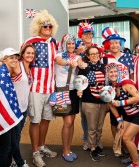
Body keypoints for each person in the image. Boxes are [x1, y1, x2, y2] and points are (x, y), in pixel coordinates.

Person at [22, 10, 58, 167]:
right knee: (35, 121)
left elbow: (56, 61)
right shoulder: (31, 41)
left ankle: (42, 146)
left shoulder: (53, 42)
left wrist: (71, 61)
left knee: (46, 120)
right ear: (39, 27)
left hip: (50, 88)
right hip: (35, 88)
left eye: (50, 26)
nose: (48, 28)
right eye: (45, 26)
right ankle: (35, 151)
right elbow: (23, 59)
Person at [106, 63, 139, 167]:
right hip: (128, 115)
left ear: (119, 72)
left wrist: (121, 103)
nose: (113, 74)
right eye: (110, 72)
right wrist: (119, 119)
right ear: (107, 75)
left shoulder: (125, 83)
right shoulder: (109, 88)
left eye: (115, 71)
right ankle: (133, 156)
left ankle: (136, 163)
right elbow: (111, 105)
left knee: (126, 138)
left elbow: (137, 98)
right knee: (122, 136)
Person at [101, 27, 134, 139]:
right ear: (108, 45)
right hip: (113, 94)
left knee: (129, 120)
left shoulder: (128, 57)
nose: (114, 45)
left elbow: (132, 74)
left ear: (120, 44)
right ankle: (117, 145)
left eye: (117, 42)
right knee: (114, 121)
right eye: (112, 43)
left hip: (127, 93)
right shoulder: (105, 59)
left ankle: (127, 144)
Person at [75, 21, 103, 150]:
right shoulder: (77, 47)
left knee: (96, 116)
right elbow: (75, 61)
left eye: (90, 33)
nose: (88, 36)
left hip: (95, 86)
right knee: (84, 115)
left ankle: (96, 140)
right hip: (81, 84)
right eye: (85, 34)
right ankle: (87, 139)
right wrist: (79, 57)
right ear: (81, 35)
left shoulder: (97, 47)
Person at [78, 46, 108, 161]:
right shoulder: (84, 67)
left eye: (97, 53)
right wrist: (79, 90)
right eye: (92, 54)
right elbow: (79, 82)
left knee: (99, 127)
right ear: (88, 56)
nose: (95, 55)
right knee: (92, 128)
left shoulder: (103, 67)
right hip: (89, 102)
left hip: (103, 101)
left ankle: (97, 143)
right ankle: (92, 148)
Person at [54, 34, 80, 162]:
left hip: (74, 91)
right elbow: (59, 62)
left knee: (73, 121)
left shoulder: (78, 56)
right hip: (61, 90)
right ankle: (65, 150)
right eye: (68, 43)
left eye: (72, 43)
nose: (71, 46)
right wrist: (69, 62)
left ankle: (69, 148)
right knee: (67, 122)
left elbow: (81, 63)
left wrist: (81, 63)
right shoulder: (58, 55)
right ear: (64, 44)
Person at [10, 44, 35, 167]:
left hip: (23, 107)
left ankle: (12, 160)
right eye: (28, 53)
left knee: (17, 136)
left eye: (32, 53)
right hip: (14, 107)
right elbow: (4, 70)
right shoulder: (17, 66)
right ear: (22, 54)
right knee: (14, 137)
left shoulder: (30, 68)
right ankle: (18, 162)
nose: (30, 55)